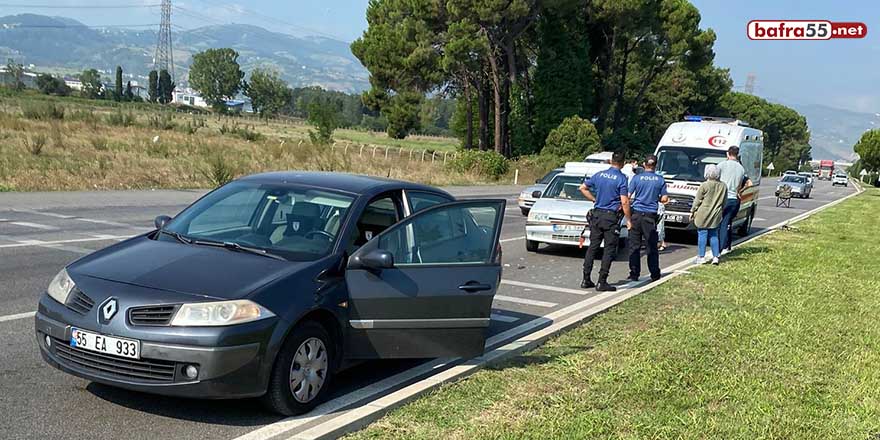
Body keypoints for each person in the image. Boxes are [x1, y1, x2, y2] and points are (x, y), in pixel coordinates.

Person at [579, 152, 632, 291]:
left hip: (597, 215)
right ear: (623, 163)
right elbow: (625, 201)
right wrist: (628, 219)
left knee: (593, 247)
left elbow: (582, 188)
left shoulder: (599, 175)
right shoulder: (621, 178)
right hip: (610, 217)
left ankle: (586, 279)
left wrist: (594, 199)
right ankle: (602, 281)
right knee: (609, 249)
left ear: (610, 161)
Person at [626, 154, 668, 282]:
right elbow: (664, 199)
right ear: (655, 165)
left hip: (636, 214)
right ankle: (654, 273)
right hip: (650, 216)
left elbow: (628, 195)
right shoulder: (660, 180)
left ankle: (634, 273)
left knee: (634, 246)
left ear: (644, 164)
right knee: (651, 247)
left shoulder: (637, 178)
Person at [717, 146, 753, 251]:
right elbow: (749, 183)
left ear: (728, 154)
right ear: (737, 155)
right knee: (728, 222)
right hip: (734, 199)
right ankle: (727, 246)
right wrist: (740, 191)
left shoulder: (722, 165)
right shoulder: (741, 168)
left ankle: (720, 248)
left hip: (722, 197)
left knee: (721, 224)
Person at [691, 164, 727, 264]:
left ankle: (701, 257)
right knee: (714, 234)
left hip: (703, 213)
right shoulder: (723, 186)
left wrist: (692, 211)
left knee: (702, 233)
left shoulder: (704, 185)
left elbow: (697, 200)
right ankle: (716, 256)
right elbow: (724, 201)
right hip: (716, 213)